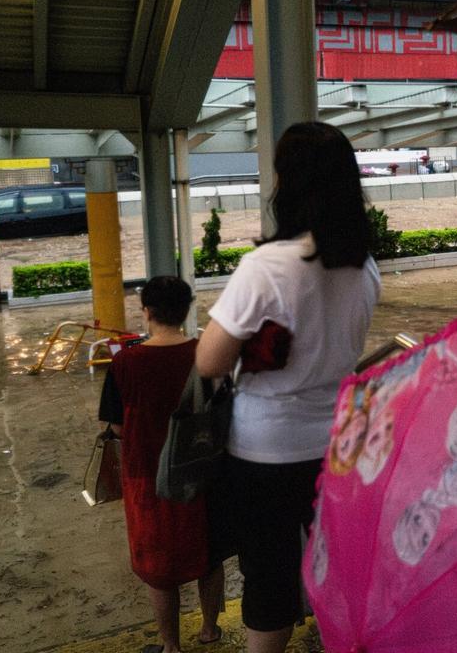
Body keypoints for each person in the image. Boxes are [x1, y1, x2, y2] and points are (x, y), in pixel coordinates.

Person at [196, 122, 381, 653]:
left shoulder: (266, 268)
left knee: (270, 575)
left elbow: (210, 360)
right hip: (338, 447)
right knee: (338, 567)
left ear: (288, 183)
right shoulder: (364, 267)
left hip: (264, 451)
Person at [98, 275, 224, 653]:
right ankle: (209, 629)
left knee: (158, 566)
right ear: (186, 311)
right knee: (209, 553)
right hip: (203, 469)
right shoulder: (207, 354)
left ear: (147, 311)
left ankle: (171, 645)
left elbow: (117, 426)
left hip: (147, 477)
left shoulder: (126, 363)